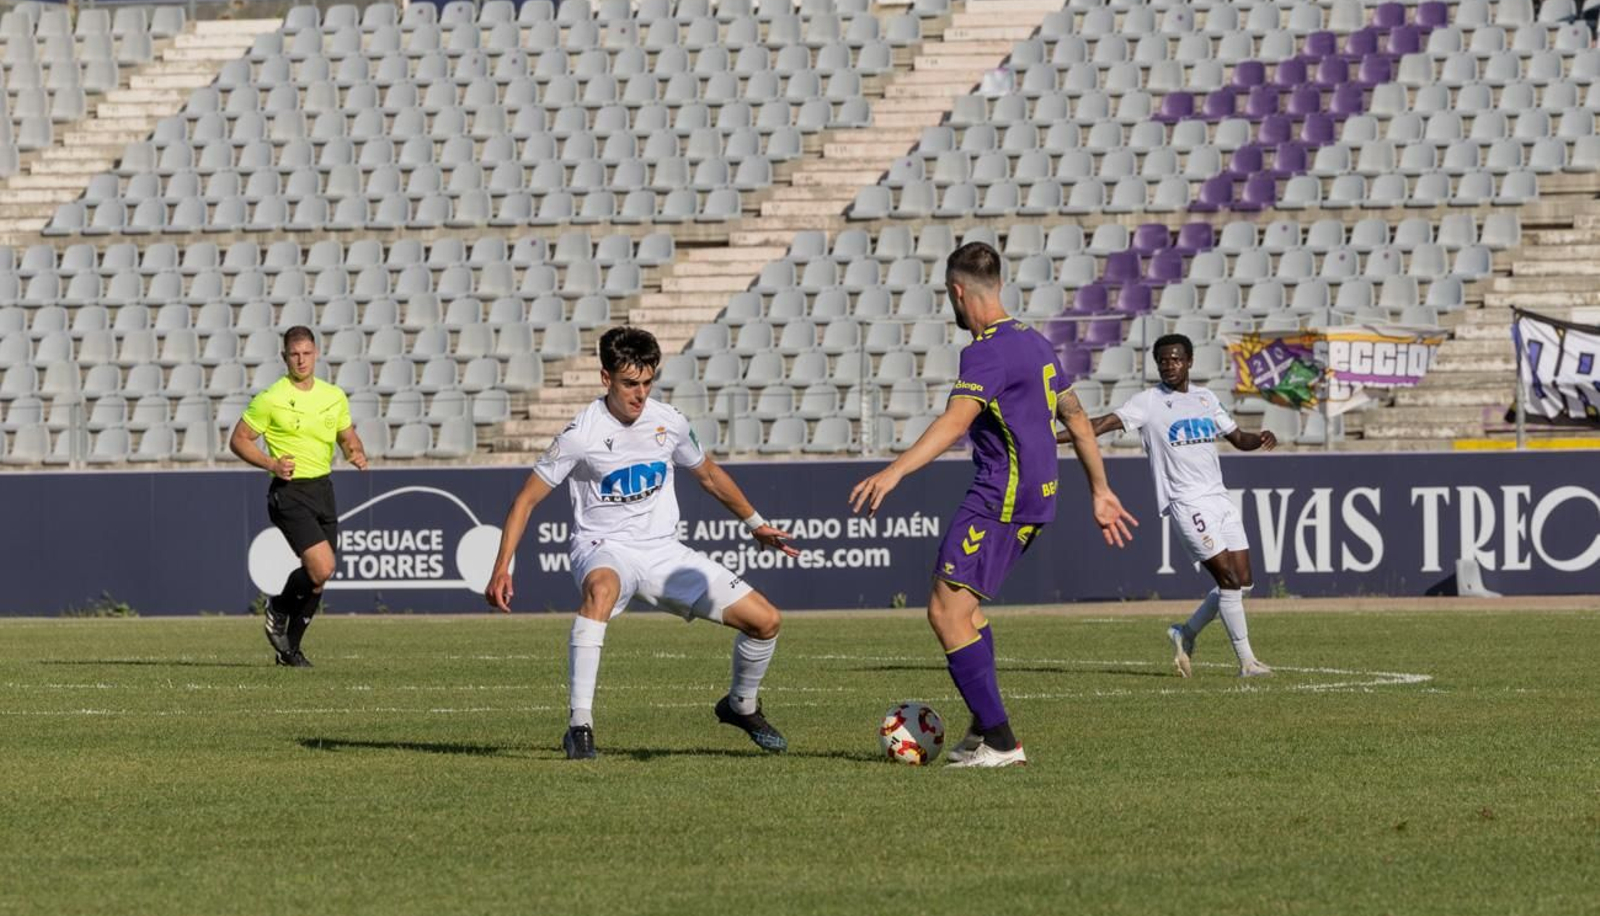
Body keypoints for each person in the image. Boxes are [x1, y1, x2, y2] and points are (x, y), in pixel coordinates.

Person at [848, 242, 1138, 769]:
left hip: (1001, 498)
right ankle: (984, 730)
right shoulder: (1035, 341)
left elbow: (956, 421)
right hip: (1034, 497)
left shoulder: (985, 351)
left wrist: (894, 470)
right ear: (997, 285)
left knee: (944, 611)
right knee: (967, 611)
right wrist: (1101, 489)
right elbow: (1075, 417)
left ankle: (1002, 742)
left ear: (957, 292)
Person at [484, 326, 799, 760]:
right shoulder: (581, 433)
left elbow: (707, 475)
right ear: (605, 378)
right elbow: (525, 500)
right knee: (601, 590)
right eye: (630, 384)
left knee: (766, 622)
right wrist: (504, 566)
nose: (640, 394)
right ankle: (580, 726)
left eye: (648, 382)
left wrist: (755, 523)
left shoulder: (669, 422)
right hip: (603, 546)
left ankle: (740, 706)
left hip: (664, 551)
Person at [1087, 332, 1276, 678]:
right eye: (1162, 360)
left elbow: (1237, 438)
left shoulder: (1206, 399)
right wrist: (1050, 436)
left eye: (1175, 359)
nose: (1169, 365)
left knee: (1244, 582)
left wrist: (1260, 437)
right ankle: (1247, 662)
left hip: (1219, 499)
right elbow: (1099, 426)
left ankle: (1184, 633)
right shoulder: (1148, 402)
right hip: (1186, 503)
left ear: (1189, 361)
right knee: (1229, 579)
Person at [230, 325, 367, 668]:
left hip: (323, 490)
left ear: (316, 353)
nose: (301, 360)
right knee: (323, 566)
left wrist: (355, 451)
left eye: (307, 353)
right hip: (290, 493)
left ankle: (289, 651)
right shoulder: (271, 398)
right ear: (285, 357)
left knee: (319, 580)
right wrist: (271, 463)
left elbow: (347, 436)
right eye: (295, 354)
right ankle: (277, 606)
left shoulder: (333, 396)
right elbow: (239, 440)